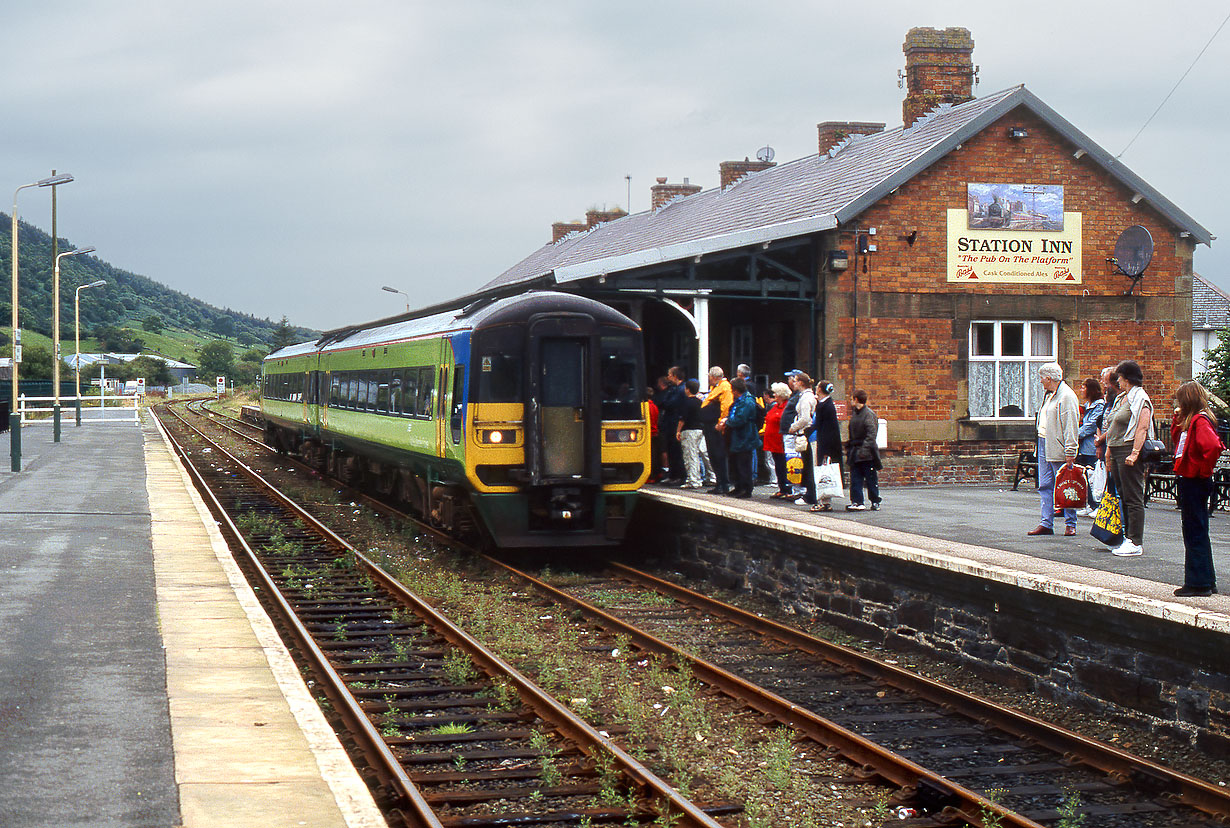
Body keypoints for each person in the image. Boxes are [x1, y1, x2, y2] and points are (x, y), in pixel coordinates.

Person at [1170, 381, 1224, 596]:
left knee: (1194, 531)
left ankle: (1198, 583)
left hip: (1194, 479)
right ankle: (1206, 579)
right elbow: (1177, 440)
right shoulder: (1194, 420)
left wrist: (1201, 469)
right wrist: (1177, 419)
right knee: (1198, 529)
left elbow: (1212, 447)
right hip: (1194, 478)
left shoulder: (1200, 421)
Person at [1103, 359, 1154, 556]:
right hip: (1116, 449)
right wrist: (1108, 451)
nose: (1119, 382)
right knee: (1122, 494)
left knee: (1133, 496)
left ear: (1127, 378)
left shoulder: (1140, 398)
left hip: (1128, 449)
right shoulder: (1122, 397)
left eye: (1121, 378)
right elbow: (1113, 426)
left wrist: (1134, 453)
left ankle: (1135, 541)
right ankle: (1127, 537)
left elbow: (1142, 427)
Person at [1028, 362, 1079, 535]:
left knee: (1066, 484)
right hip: (1044, 442)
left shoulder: (1067, 396)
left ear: (1049, 378)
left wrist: (1070, 451)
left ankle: (1070, 523)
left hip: (1058, 446)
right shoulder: (1050, 395)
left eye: (1042, 378)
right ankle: (1046, 522)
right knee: (1045, 484)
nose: (1041, 381)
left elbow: (1071, 426)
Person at [846, 389, 882, 511]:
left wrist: (863, 450)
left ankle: (875, 501)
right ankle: (857, 501)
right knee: (855, 478)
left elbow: (871, 434)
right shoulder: (856, 414)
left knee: (870, 478)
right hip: (856, 450)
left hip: (867, 453)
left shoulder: (868, 415)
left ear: (856, 399)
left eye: (852, 398)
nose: (851, 401)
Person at [725, 377, 762, 498]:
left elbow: (741, 419)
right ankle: (738, 486)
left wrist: (727, 422)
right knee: (735, 462)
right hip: (737, 437)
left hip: (745, 436)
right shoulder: (739, 401)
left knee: (744, 464)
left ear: (736, 390)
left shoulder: (747, 401)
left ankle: (746, 489)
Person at [700, 366, 733, 494]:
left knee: (718, 455)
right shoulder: (716, 387)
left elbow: (726, 406)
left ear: (713, 377)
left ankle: (723, 483)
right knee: (714, 455)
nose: (708, 379)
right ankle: (720, 482)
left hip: (716, 427)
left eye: (709, 377)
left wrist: (721, 423)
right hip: (710, 427)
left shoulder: (724, 387)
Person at [786, 372, 817, 507]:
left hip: (806, 433)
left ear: (801, 383)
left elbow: (805, 418)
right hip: (808, 433)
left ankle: (810, 495)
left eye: (796, 380)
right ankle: (809, 493)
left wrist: (793, 427)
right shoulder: (807, 396)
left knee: (808, 464)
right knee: (807, 463)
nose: (794, 382)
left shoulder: (805, 398)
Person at [812, 381, 844, 512]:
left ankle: (824, 502)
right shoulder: (824, 404)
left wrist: (825, 450)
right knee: (823, 472)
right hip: (826, 443)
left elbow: (827, 429)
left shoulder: (826, 406)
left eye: (817, 387)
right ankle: (825, 501)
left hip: (827, 444)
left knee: (823, 473)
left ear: (820, 389)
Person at [1075, 377, 1105, 516]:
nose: (1081, 390)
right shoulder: (1088, 405)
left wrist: (1075, 435)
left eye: (1084, 387)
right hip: (1085, 447)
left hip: (1092, 446)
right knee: (1086, 476)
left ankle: (1098, 505)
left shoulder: (1099, 405)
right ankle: (1090, 504)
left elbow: (1091, 425)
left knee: (1096, 477)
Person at [763, 382, 792, 499]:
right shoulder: (775, 406)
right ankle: (781, 488)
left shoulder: (786, 407)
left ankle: (787, 488)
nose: (774, 394)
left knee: (783, 465)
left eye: (776, 393)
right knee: (778, 465)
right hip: (772, 441)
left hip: (780, 441)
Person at [676, 379, 705, 489]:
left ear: (687, 389)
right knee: (696, 455)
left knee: (690, 455)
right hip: (699, 430)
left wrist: (678, 431)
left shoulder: (686, 402)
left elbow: (682, 419)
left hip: (689, 431)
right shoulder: (700, 402)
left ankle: (693, 480)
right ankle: (697, 478)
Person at [661, 366, 687, 483]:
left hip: (675, 423)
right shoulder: (672, 389)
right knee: (671, 449)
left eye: (669, 375)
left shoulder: (681, 390)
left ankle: (680, 475)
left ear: (675, 376)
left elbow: (670, 404)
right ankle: (673, 474)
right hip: (670, 423)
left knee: (677, 451)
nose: (668, 377)